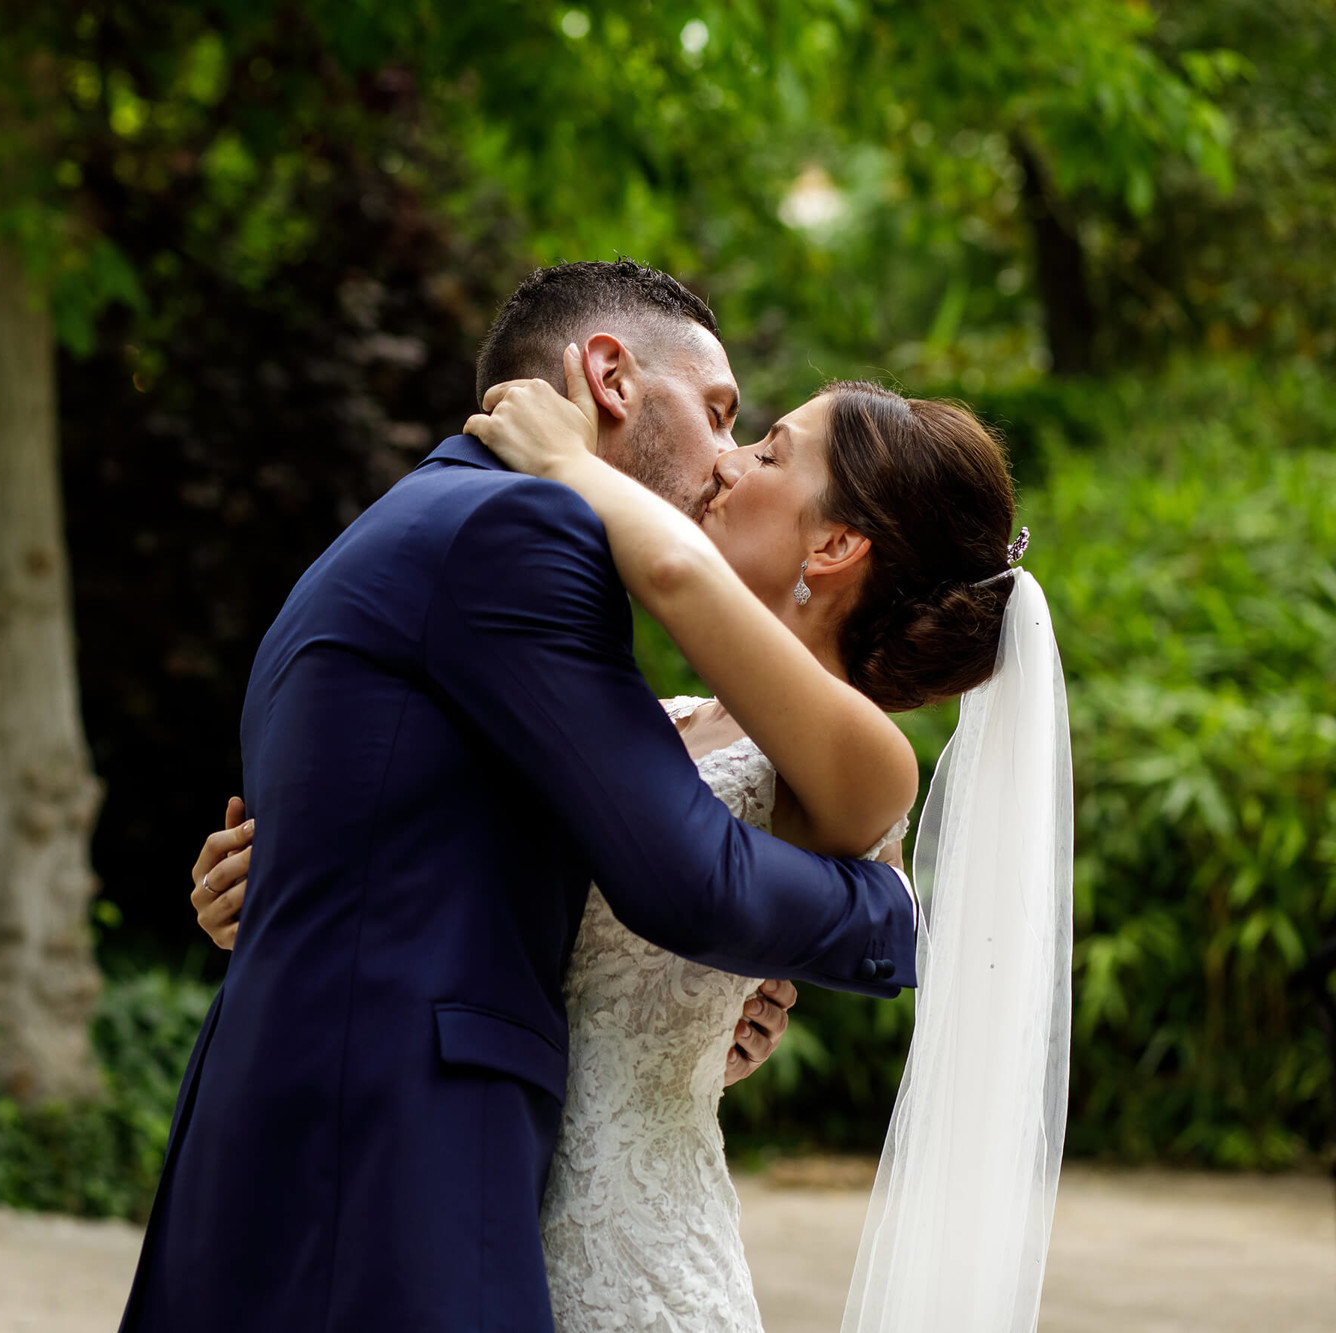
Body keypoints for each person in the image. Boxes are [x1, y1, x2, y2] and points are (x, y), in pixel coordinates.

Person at [183, 263, 1072, 1333]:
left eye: (766, 448)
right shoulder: (642, 713)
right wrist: (298, 878)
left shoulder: (870, 757)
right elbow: (476, 846)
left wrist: (573, 464)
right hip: (484, 1192)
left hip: (629, 1242)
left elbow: (676, 615)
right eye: (730, 424)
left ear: (834, 546)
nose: (730, 464)